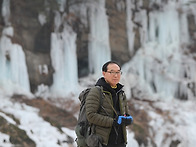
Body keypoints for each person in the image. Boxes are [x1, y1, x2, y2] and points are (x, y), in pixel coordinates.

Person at [86, 61, 132, 147]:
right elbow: (90, 115)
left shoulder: (121, 93)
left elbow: (125, 113)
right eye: (111, 72)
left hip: (120, 142)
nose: (115, 75)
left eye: (118, 72)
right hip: (102, 142)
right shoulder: (96, 91)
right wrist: (113, 122)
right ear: (104, 73)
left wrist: (127, 119)